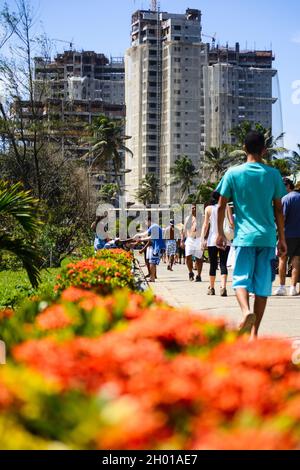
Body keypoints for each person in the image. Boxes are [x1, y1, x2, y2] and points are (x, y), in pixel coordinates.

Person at [216, 131, 287, 337]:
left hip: (244, 238)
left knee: (240, 280)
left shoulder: (233, 173)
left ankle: (246, 311)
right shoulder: (273, 174)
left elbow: (221, 206)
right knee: (263, 286)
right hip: (266, 237)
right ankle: (254, 334)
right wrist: (281, 238)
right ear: (264, 150)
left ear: (244, 149)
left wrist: (220, 233)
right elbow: (279, 209)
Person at [201, 191, 233, 296]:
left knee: (213, 264)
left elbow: (205, 225)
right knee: (223, 263)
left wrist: (202, 239)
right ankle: (223, 287)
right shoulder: (226, 206)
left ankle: (212, 288)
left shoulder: (208, 209)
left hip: (212, 240)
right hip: (225, 240)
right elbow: (232, 223)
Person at [275, 179, 300, 296]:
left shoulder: (285, 199)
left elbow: (282, 217)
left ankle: (281, 287)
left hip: (287, 234)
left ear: (288, 186)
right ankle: (293, 288)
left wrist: (279, 234)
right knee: (296, 260)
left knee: (282, 259)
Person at [129, 214, 165, 282]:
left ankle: (152, 278)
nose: (145, 224)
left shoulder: (154, 226)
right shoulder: (154, 226)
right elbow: (145, 234)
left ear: (149, 221)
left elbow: (152, 237)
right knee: (152, 262)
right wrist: (137, 235)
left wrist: (140, 239)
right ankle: (152, 278)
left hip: (158, 247)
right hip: (157, 247)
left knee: (152, 262)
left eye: (145, 222)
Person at [184, 204, 203, 282]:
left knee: (199, 258)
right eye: (192, 208)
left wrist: (204, 238)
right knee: (188, 257)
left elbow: (206, 227)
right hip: (190, 239)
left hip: (198, 239)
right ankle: (191, 272)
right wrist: (182, 240)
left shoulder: (201, 217)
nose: (194, 209)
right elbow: (184, 230)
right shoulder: (187, 218)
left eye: (195, 207)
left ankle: (199, 275)